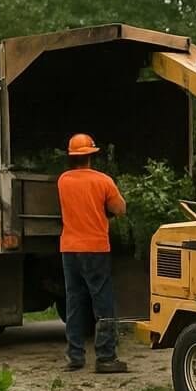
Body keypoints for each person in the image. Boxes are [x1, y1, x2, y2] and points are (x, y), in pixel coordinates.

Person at [57, 133, 128, 373]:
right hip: (96, 248)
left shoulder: (63, 181)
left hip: (69, 249)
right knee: (102, 302)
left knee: (74, 302)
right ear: (91, 155)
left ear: (71, 156)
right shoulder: (103, 181)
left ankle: (75, 356)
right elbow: (119, 209)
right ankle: (106, 357)